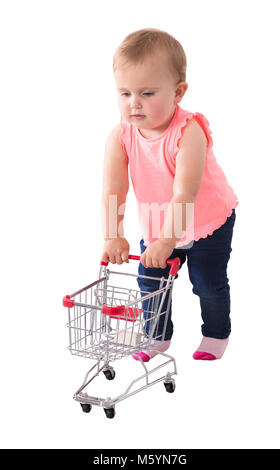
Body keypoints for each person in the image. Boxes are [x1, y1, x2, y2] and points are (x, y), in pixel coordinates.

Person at [101, 28, 238, 362]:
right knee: (151, 282)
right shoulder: (121, 135)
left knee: (207, 284)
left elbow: (185, 193)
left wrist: (167, 241)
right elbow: (114, 188)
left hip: (206, 220)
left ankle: (216, 333)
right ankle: (156, 336)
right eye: (125, 93)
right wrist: (113, 235)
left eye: (147, 93)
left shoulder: (189, 132)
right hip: (157, 222)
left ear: (178, 92)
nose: (134, 103)